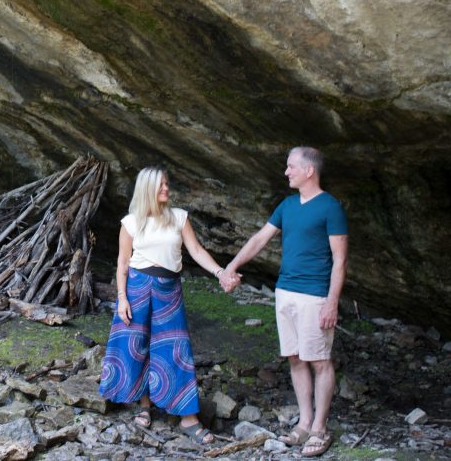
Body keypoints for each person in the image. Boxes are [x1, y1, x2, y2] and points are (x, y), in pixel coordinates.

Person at [220, 146, 348, 458]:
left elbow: (340, 260)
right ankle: (304, 422)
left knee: (319, 360)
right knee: (294, 357)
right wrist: (232, 267)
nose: (286, 172)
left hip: (315, 295)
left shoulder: (330, 207)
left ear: (309, 171)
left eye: (291, 167)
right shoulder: (287, 205)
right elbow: (259, 240)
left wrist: (332, 302)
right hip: (286, 291)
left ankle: (320, 427)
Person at [98, 166, 236, 445]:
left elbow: (196, 251)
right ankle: (145, 405)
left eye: (166, 184)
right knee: (137, 346)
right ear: (147, 189)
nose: (166, 189)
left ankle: (188, 417)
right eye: (161, 185)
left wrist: (220, 273)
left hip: (168, 289)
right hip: (137, 288)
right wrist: (122, 298)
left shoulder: (179, 218)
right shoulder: (131, 222)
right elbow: (122, 264)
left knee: (176, 348)